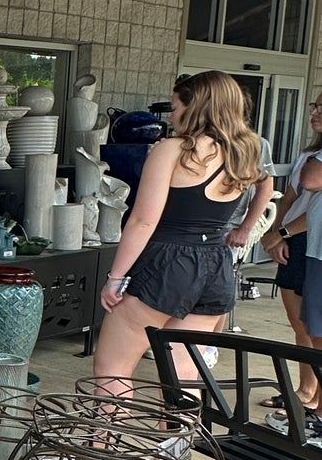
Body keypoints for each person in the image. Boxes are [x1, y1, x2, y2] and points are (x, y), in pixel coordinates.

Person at [94, 71, 268, 394]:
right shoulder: (245, 151)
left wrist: (115, 277)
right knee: (182, 377)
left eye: (175, 108)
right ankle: (174, 446)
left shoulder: (173, 150)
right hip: (217, 266)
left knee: (111, 369)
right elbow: (265, 186)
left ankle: (103, 445)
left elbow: (143, 221)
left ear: (197, 107)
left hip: (169, 263)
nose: (171, 117)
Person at [259, 92, 322, 412]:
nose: (315, 112)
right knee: (298, 321)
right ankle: (305, 390)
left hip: (310, 238)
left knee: (314, 325)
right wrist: (275, 233)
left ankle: (315, 397)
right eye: (314, 106)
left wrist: (283, 232)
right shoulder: (309, 155)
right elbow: (291, 197)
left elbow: (314, 207)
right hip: (291, 238)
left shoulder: (318, 164)